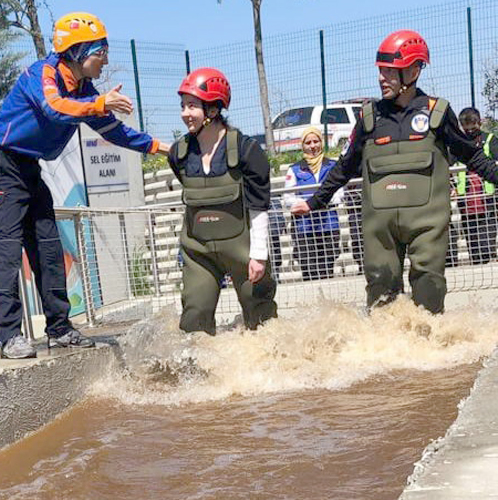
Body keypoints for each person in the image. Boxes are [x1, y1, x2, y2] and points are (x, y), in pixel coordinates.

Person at [0, 11, 170, 358]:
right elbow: (54, 108)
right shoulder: (43, 74)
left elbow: (112, 130)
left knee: (49, 250)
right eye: (101, 52)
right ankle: (7, 337)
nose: (106, 60)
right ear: (78, 51)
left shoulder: (85, 89)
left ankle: (60, 329)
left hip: (28, 169)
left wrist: (161, 148)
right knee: (7, 253)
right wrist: (98, 103)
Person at [291, 30, 498, 313]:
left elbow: (473, 156)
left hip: (428, 223)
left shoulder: (437, 112)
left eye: (390, 71)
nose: (381, 78)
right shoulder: (369, 117)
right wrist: (314, 201)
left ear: (413, 71)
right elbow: (345, 166)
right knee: (380, 294)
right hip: (381, 230)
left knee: (429, 287)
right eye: (381, 71)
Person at [167, 67, 277, 335]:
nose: (185, 114)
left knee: (261, 319)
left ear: (213, 110)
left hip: (243, 251)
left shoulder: (246, 150)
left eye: (192, 106)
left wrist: (259, 256)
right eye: (183, 106)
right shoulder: (178, 154)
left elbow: (259, 205)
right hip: (199, 252)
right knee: (195, 317)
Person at [282, 126, 344, 281]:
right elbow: (288, 198)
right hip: (304, 227)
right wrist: (308, 204)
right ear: (302, 145)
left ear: (321, 143)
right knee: (309, 268)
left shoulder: (333, 165)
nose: (312, 146)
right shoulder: (294, 169)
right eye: (308, 142)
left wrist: (314, 203)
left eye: (316, 141)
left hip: (329, 224)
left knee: (327, 266)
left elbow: (339, 194)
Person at [456, 107, 497, 264]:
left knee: (486, 246)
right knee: (474, 248)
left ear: (479, 123)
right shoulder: (458, 143)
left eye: (472, 129)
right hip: (466, 203)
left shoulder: (490, 140)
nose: (469, 133)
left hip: (487, 201)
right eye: (466, 130)